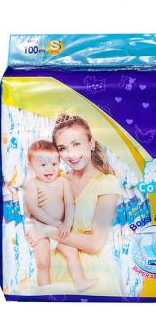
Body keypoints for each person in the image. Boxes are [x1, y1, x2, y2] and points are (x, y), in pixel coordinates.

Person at [26, 114, 122, 295]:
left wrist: (49, 231)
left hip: (89, 272)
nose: (70, 154)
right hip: (55, 267)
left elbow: (95, 244)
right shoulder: (57, 180)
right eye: (62, 148)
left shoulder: (106, 183)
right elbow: (36, 212)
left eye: (76, 144)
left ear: (91, 143)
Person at [24, 140, 96, 292]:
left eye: (54, 164)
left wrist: (67, 224)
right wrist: (53, 222)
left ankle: (80, 281)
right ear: (31, 166)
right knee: (43, 262)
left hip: (59, 228)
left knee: (72, 253)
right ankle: (44, 290)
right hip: (40, 228)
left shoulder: (62, 182)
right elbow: (33, 208)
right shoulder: (32, 185)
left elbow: (70, 204)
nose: (49, 168)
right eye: (43, 165)